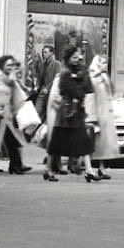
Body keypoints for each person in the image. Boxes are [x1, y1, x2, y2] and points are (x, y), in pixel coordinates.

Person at [45, 46, 98, 182]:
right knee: (56, 143)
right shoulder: (65, 74)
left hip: (77, 111)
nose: (77, 60)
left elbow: (89, 88)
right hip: (66, 112)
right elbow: (77, 92)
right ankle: (48, 169)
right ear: (68, 59)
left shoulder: (80, 72)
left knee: (83, 141)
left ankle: (89, 170)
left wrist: (82, 77)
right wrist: (80, 79)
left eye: (79, 57)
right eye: (74, 58)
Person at [87, 54, 118, 179]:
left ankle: (101, 167)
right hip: (97, 112)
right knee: (94, 140)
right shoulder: (92, 77)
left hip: (107, 112)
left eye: (105, 63)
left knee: (105, 141)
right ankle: (84, 164)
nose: (104, 65)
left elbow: (111, 92)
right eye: (102, 63)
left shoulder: (104, 77)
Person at [32, 44, 62, 121]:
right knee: (37, 112)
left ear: (51, 53)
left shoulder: (57, 64)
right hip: (42, 92)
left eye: (45, 52)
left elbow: (57, 78)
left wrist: (48, 88)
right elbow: (40, 78)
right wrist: (37, 86)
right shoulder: (43, 65)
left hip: (51, 92)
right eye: (43, 52)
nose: (43, 54)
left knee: (49, 115)